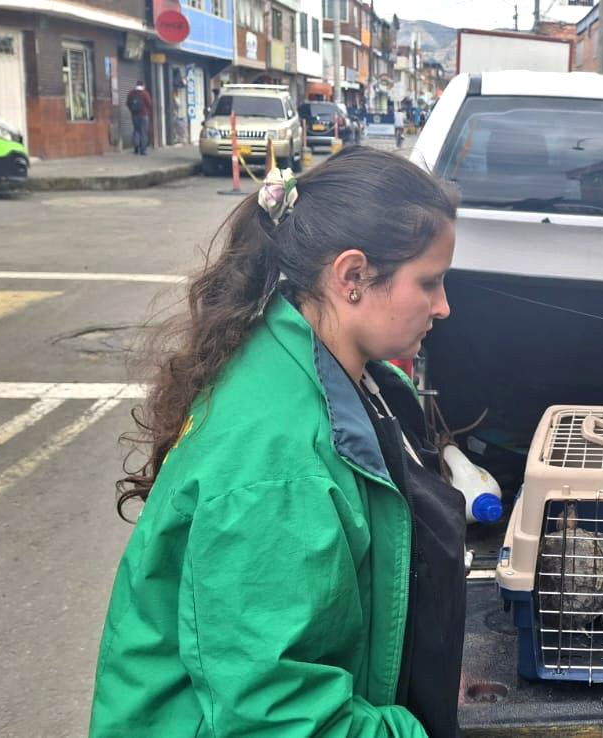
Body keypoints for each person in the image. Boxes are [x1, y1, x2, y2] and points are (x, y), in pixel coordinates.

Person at [91, 146, 466, 738]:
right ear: (351, 277)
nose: (444, 306)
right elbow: (279, 719)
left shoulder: (324, 363)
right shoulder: (280, 467)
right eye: (429, 282)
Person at [126, 80, 154, 155]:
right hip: (144, 115)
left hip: (135, 115)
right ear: (143, 85)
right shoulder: (145, 93)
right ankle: (143, 150)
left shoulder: (131, 93)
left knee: (136, 131)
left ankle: (136, 148)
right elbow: (149, 104)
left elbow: (128, 103)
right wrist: (148, 112)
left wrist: (132, 110)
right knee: (144, 132)